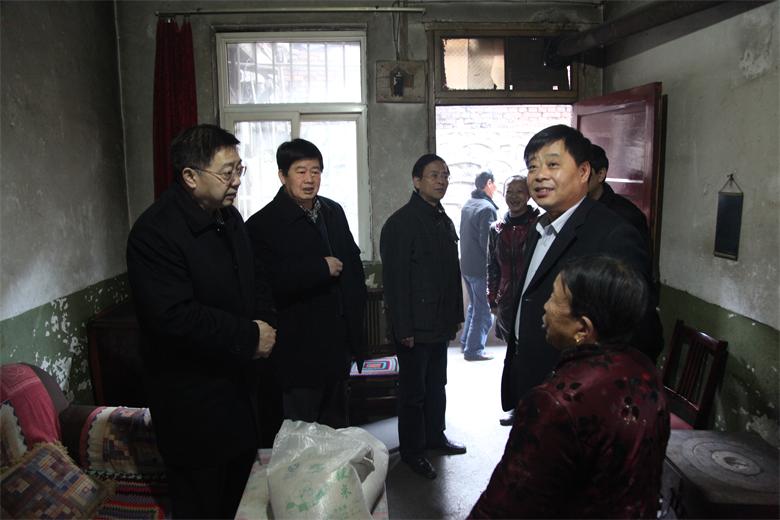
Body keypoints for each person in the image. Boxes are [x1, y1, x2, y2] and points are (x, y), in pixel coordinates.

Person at [126, 124, 277, 518]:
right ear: (190, 177)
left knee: (240, 502)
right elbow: (174, 317)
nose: (236, 181)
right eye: (227, 172)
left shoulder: (230, 218)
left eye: (239, 169)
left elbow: (256, 278)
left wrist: (266, 324)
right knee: (202, 506)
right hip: (194, 407)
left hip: (239, 394)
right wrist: (249, 336)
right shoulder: (154, 233)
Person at [470, 255, 670, 518]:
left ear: (583, 328)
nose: (545, 307)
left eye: (554, 299)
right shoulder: (644, 371)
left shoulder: (556, 402)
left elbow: (504, 507)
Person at [511, 124, 653, 403]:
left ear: (584, 171)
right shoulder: (538, 227)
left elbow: (639, 330)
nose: (539, 175)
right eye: (532, 167)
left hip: (580, 396)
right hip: (531, 379)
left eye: (553, 164)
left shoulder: (613, 234)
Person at [245, 138, 367, 429]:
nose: (309, 179)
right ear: (282, 175)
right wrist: (318, 269)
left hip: (337, 347)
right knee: (300, 434)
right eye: (300, 171)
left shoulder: (333, 211)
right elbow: (264, 283)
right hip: (297, 353)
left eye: (315, 171)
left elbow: (351, 263)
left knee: (336, 431)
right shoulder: (262, 224)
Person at [380, 153, 467, 480]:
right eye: (434, 175)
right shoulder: (401, 224)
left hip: (439, 323)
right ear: (416, 181)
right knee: (413, 393)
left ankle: (434, 436)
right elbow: (396, 282)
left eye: (445, 175)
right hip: (414, 327)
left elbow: (451, 274)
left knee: (436, 385)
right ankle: (413, 451)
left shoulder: (443, 219)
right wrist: (403, 328)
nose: (442, 181)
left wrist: (455, 316)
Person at [589, 143, 663, 362]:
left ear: (600, 174)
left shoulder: (624, 217)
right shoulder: (576, 211)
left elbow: (633, 286)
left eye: (584, 171)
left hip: (619, 336)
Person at [486, 176, 539, 426]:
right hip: (507, 301)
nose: (514, 196)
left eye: (520, 191)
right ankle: (517, 406)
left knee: (533, 355)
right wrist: (492, 299)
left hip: (533, 299)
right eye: (510, 191)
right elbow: (492, 267)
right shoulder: (496, 229)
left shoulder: (539, 226)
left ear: (529, 195)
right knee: (513, 357)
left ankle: (536, 406)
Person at [459, 171, 499, 361]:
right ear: (489, 183)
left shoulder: (469, 204)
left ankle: (466, 343)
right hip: (480, 268)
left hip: (466, 266)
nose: (496, 188)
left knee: (474, 306)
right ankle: (474, 350)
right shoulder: (487, 209)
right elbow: (487, 244)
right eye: (495, 184)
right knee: (484, 311)